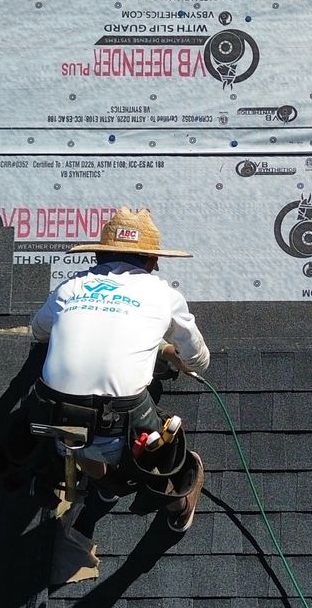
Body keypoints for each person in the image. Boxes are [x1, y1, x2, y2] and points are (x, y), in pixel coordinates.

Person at [16, 207, 209, 534]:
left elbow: (39, 332)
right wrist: (176, 356)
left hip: (54, 421)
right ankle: (177, 506)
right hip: (118, 428)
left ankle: (103, 482)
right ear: (152, 261)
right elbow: (198, 360)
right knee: (168, 450)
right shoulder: (164, 295)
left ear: (100, 255)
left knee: (81, 432)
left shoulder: (70, 287)